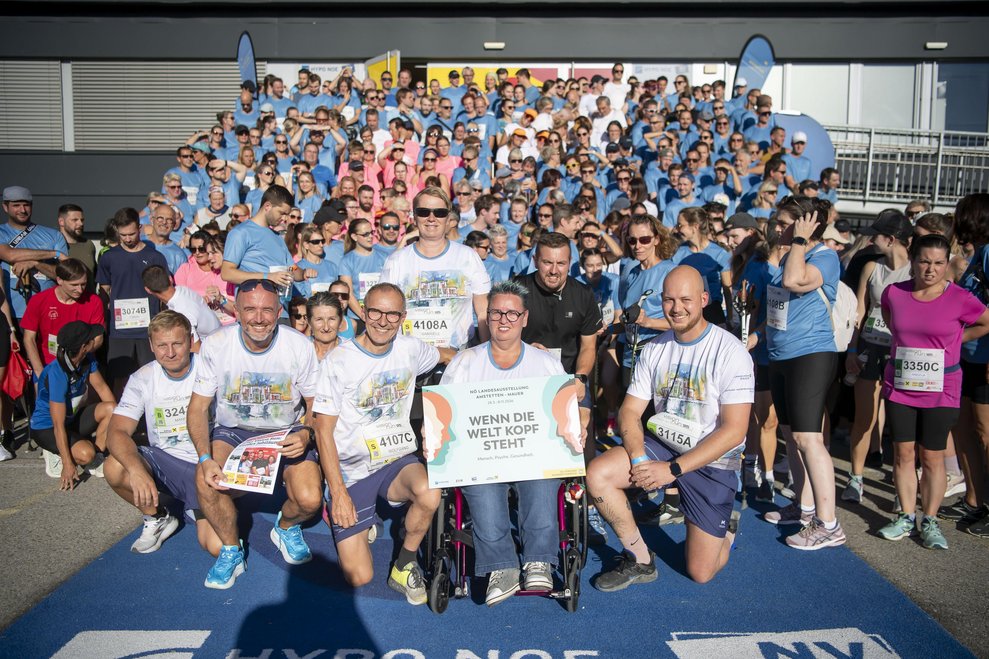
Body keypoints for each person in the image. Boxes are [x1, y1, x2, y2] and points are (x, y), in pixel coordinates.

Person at [586, 266, 753, 589]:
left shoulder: (730, 351)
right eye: (669, 300)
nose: (677, 308)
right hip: (663, 443)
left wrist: (671, 470)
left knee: (701, 572)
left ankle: (726, 530)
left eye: (686, 300)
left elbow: (735, 431)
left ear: (704, 299)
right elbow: (630, 412)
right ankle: (640, 559)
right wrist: (639, 461)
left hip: (710, 457)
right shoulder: (655, 348)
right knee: (598, 474)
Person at [438, 281, 581, 605]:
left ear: (525, 318)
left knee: (542, 481)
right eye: (496, 313)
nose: (504, 319)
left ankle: (538, 559)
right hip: (482, 458)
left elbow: (561, 412)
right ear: (486, 317)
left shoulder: (544, 363)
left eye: (511, 313)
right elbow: (444, 416)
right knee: (482, 486)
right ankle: (501, 566)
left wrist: (574, 426)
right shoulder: (465, 363)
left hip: (532, 456)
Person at [313, 283, 445, 605]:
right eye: (375, 312)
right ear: (363, 312)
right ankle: (351, 508)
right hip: (352, 471)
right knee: (359, 577)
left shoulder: (411, 348)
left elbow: (450, 355)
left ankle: (404, 562)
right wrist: (340, 492)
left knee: (430, 491)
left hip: (395, 460)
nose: (383, 321)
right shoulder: (339, 361)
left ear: (403, 317)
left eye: (392, 314)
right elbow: (322, 431)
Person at [189, 278, 322, 589]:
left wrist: (306, 431)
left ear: (279, 312)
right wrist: (205, 457)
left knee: (310, 500)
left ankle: (286, 526)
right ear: (236, 310)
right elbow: (197, 409)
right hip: (234, 432)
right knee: (206, 478)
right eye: (250, 309)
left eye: (267, 310)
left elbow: (317, 403)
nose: (259, 318)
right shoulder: (216, 345)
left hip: (286, 430)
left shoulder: (299, 345)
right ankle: (231, 549)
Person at [876, 234, 989, 549]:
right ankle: (906, 516)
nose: (931, 269)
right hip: (901, 385)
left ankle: (930, 519)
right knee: (903, 454)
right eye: (924, 261)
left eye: (939, 263)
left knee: (932, 457)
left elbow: (985, 322)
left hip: (942, 387)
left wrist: (956, 341)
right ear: (913, 261)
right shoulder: (894, 293)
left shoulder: (959, 298)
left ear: (947, 263)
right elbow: (889, 317)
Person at [104, 311, 223, 555]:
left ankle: (204, 504)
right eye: (161, 345)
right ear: (151, 345)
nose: (169, 353)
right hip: (165, 463)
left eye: (177, 344)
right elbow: (116, 431)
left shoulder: (212, 368)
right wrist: (137, 471)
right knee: (114, 466)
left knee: (217, 547)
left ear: (190, 340)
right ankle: (157, 516)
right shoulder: (142, 378)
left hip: (207, 465)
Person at [763, 197, 844, 549]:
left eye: (784, 223)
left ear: (804, 225)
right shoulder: (788, 255)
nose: (776, 228)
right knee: (791, 435)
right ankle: (804, 506)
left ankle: (829, 524)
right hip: (781, 354)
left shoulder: (824, 256)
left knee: (810, 439)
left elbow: (795, 281)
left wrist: (798, 241)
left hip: (811, 354)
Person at [842, 212, 913, 503]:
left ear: (891, 239)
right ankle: (855, 478)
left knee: (902, 424)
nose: (871, 240)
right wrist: (851, 349)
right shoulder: (872, 267)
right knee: (864, 418)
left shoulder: (915, 271)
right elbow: (859, 310)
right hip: (870, 347)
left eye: (877, 236)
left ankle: (902, 487)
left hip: (903, 353)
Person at [380, 187, 491, 350]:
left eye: (439, 212)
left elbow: (483, 311)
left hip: (459, 352)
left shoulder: (468, 256)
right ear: (414, 216)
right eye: (424, 212)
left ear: (448, 218)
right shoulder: (396, 261)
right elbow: (385, 310)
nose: (431, 218)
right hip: (410, 353)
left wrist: (486, 352)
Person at [30, 321, 116, 489]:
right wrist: (67, 463)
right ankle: (55, 452)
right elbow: (57, 424)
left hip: (71, 419)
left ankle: (95, 457)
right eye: (92, 338)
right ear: (84, 346)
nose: (97, 339)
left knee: (112, 408)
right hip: (47, 427)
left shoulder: (87, 359)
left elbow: (102, 388)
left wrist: (120, 422)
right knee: (86, 453)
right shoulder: (57, 373)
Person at [96, 208, 170, 396]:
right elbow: (104, 291)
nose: (128, 239)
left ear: (140, 228)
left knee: (151, 375)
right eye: (123, 235)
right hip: (120, 330)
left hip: (148, 328)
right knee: (120, 378)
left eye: (131, 234)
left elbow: (163, 293)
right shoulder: (109, 257)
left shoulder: (156, 257)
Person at [21, 258, 104, 378]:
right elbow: (29, 338)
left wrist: (81, 354)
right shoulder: (39, 300)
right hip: (48, 363)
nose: (80, 289)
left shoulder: (93, 301)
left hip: (83, 362)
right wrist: (40, 372)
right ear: (59, 280)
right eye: (74, 285)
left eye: (83, 284)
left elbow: (98, 338)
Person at [673, 207, 732, 324]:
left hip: (713, 312)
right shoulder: (678, 253)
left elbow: (727, 288)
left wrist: (730, 317)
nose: (677, 229)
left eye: (681, 225)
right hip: (686, 311)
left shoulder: (719, 253)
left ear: (695, 226)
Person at [141, 265, 221, 347]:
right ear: (170, 279)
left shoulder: (181, 311)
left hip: (214, 347)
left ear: (148, 290)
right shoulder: (183, 290)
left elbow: (196, 348)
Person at [57, 204, 97, 282]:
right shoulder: (51, 246)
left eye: (82, 220)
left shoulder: (88, 245)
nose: (81, 224)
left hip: (89, 294)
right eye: (75, 220)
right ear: (61, 222)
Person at [306, 291, 345, 362]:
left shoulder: (351, 351)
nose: (326, 328)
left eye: (331, 319)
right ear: (309, 322)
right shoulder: (299, 349)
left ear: (340, 320)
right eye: (319, 319)